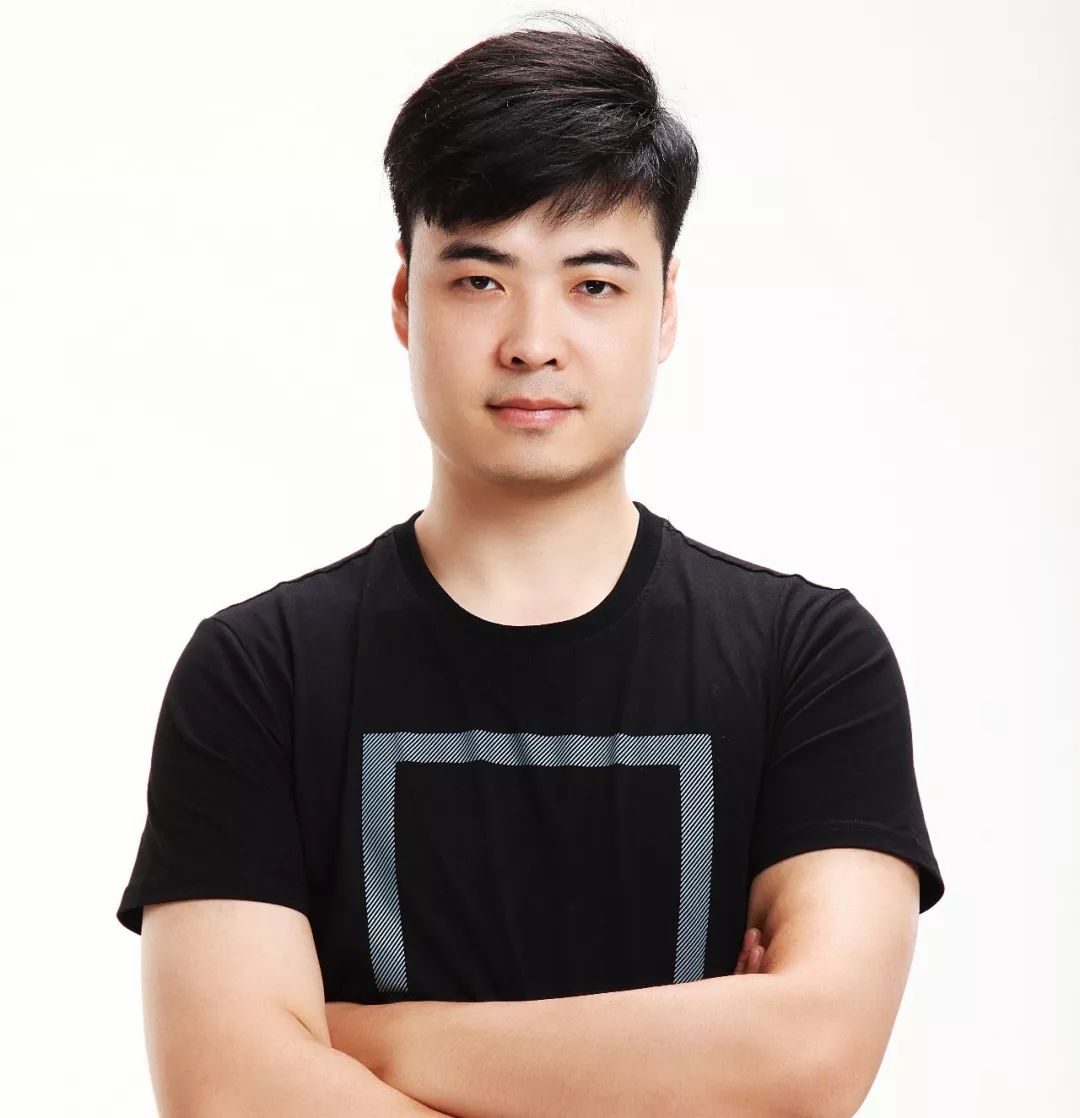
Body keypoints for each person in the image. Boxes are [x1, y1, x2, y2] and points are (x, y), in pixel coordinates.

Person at [117, 11, 944, 1118]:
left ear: (665, 311)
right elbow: (231, 1090)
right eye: (480, 279)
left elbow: (809, 1054)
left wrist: (365, 1040)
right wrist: (695, 1059)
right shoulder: (260, 673)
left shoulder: (808, 660)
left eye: (594, 284)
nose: (533, 342)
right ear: (406, 300)